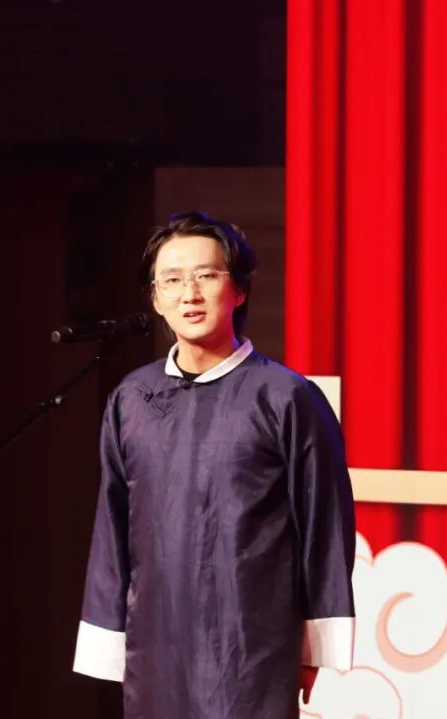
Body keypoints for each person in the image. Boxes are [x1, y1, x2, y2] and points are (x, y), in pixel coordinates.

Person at [73, 212, 356, 718]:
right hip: (156, 645)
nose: (190, 294)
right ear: (155, 298)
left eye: (206, 276)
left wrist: (313, 646)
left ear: (238, 290)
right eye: (172, 280)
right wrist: (109, 637)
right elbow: (112, 527)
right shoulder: (132, 399)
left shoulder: (286, 397)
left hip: (252, 646)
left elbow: (324, 526)